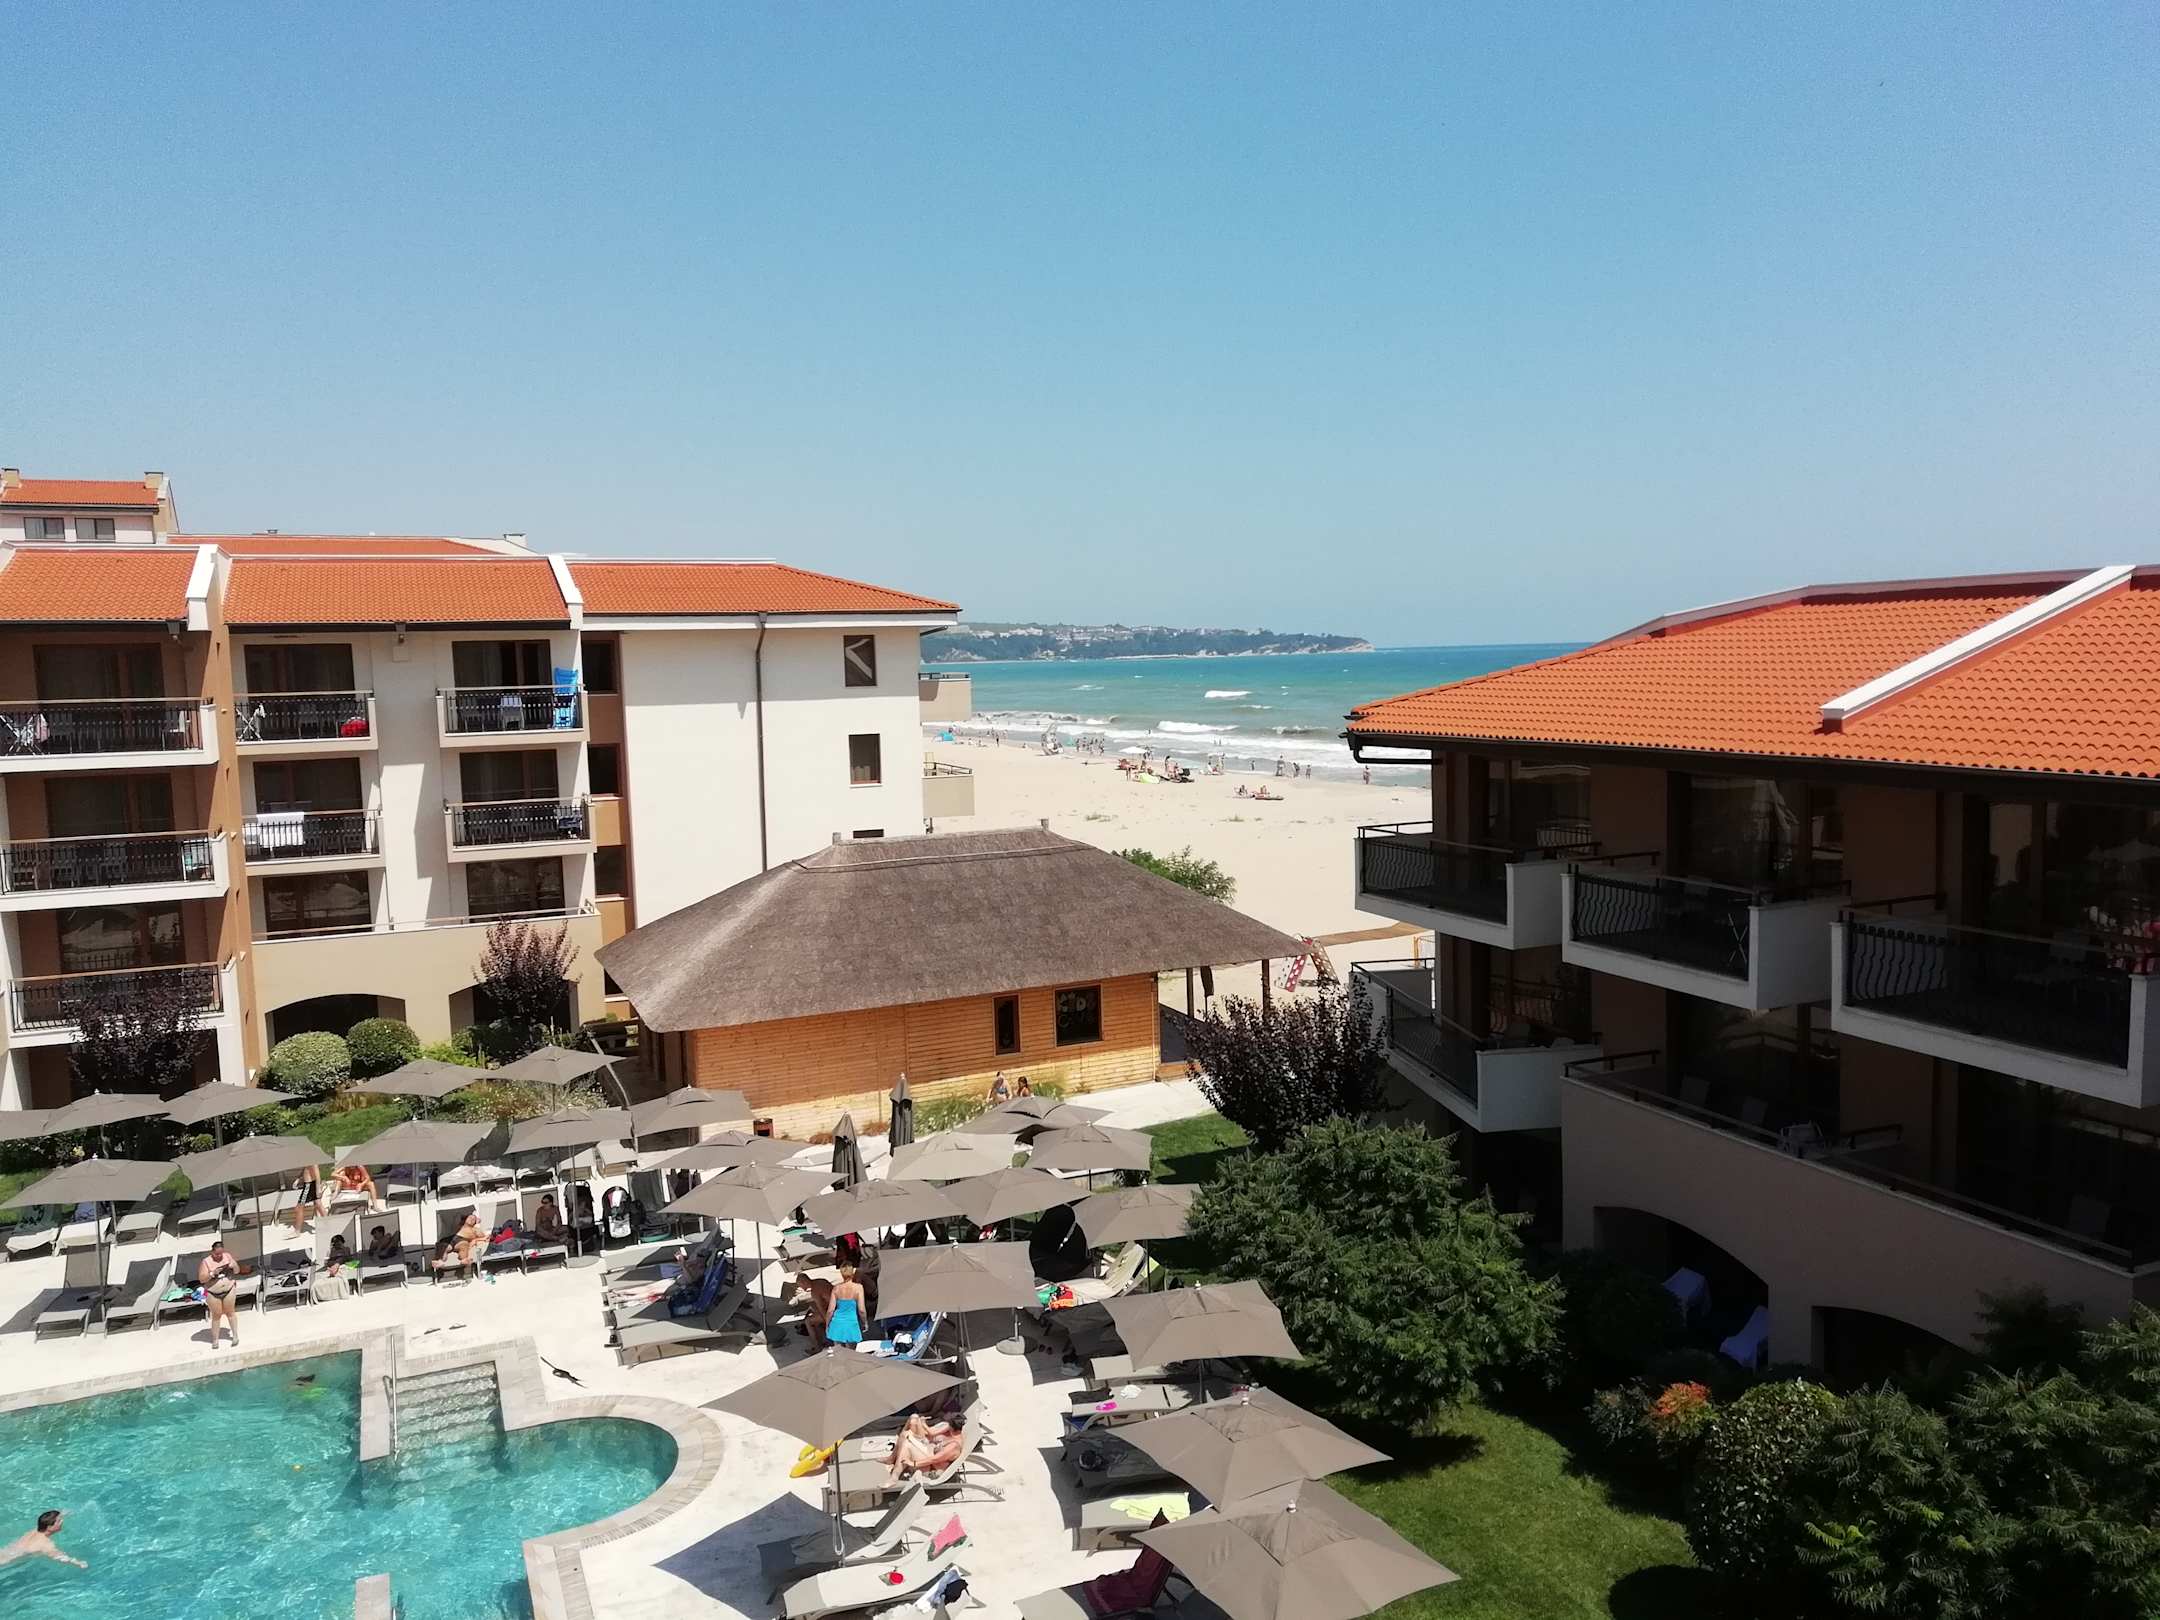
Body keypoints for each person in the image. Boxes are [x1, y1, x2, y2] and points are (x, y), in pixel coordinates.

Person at [882, 1413, 965, 1485]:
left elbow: (934, 1459)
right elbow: (932, 1433)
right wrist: (922, 1425)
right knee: (913, 1418)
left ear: (952, 1427)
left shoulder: (953, 1446)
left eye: (949, 1424)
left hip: (930, 1466)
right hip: (928, 1448)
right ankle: (892, 1464)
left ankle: (894, 1476)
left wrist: (913, 1463)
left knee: (906, 1438)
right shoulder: (953, 1432)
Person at [0, 1510, 86, 1571]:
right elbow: (59, 1556)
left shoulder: (35, 1530)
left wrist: (63, 1513)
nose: (62, 1522)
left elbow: (48, 1519)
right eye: (59, 1521)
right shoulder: (45, 1543)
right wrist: (78, 1562)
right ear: (49, 1527)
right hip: (4, 1562)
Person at [199, 1240, 246, 1350]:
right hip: (213, 1292)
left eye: (221, 1253)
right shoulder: (206, 1262)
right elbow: (202, 1279)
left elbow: (237, 1271)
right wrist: (212, 1273)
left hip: (229, 1289)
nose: (219, 1256)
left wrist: (234, 1265)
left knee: (231, 1312)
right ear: (212, 1252)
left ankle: (235, 1336)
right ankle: (215, 1340)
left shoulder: (227, 1256)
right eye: (217, 1254)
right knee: (216, 1315)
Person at [825, 1263, 866, 1347]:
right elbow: (861, 1310)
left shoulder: (836, 1289)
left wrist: (827, 1325)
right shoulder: (858, 1288)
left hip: (837, 1323)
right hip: (851, 1323)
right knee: (851, 1352)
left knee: (838, 1352)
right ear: (852, 1273)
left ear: (841, 1274)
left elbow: (830, 1311)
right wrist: (864, 1322)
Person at [287, 1165, 322, 1235]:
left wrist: (318, 1188)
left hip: (309, 1186)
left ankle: (297, 1231)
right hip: (310, 1184)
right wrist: (298, 1179)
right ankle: (329, 1224)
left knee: (299, 1208)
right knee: (319, 1205)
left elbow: (316, 1171)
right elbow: (305, 1168)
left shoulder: (312, 1159)